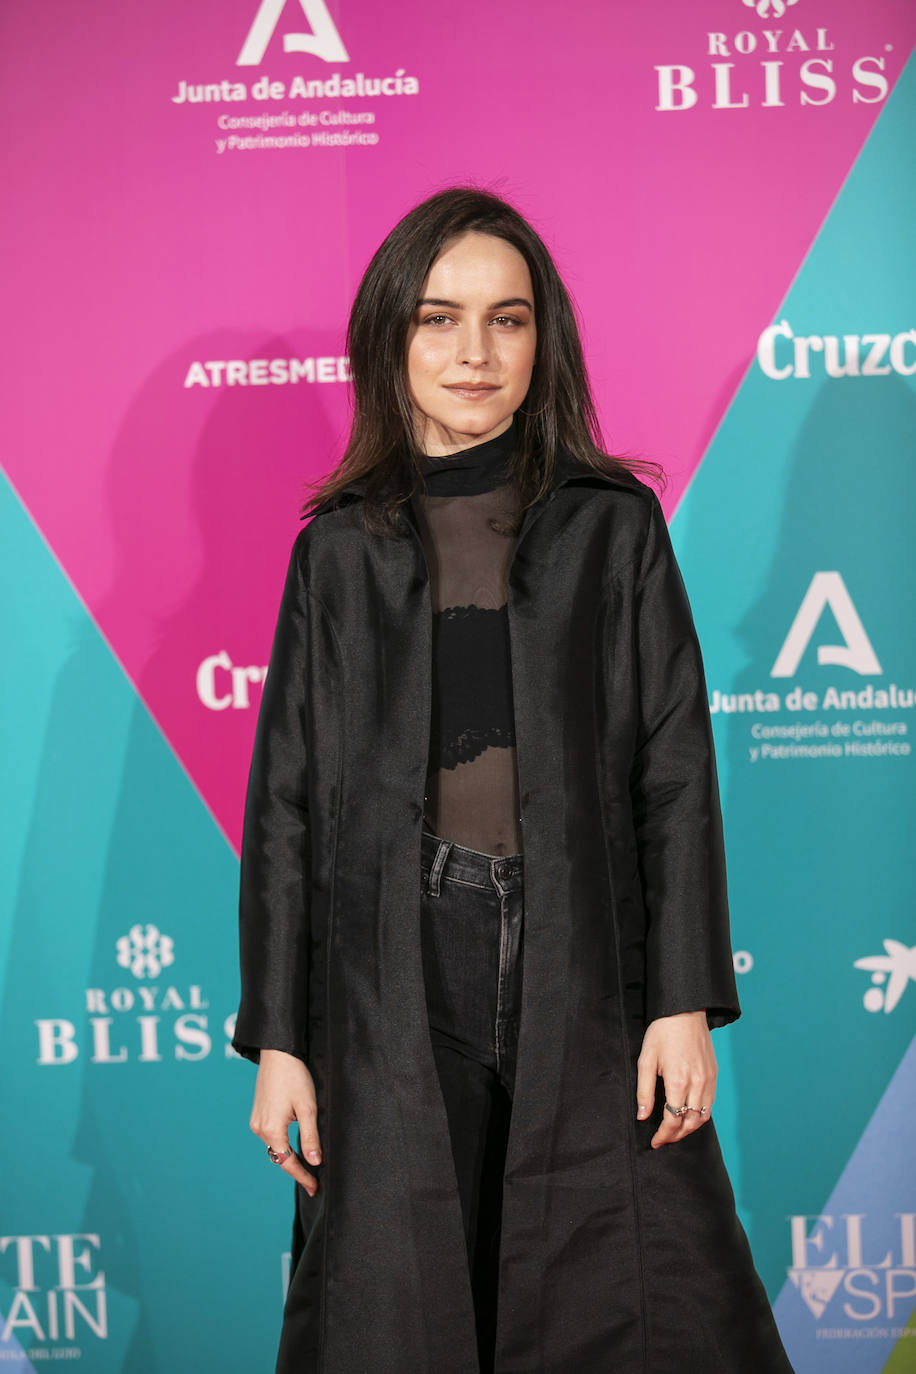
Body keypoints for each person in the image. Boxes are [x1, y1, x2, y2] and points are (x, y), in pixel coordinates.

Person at [234, 187, 794, 1374]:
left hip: (585, 962)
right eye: (438, 320)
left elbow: (674, 776)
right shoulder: (335, 551)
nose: (474, 353)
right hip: (394, 974)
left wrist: (681, 997)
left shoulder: (612, 528)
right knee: (402, 1296)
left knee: (636, 1293)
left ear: (546, 343)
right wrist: (283, 1037)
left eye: (507, 319)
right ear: (392, 339)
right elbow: (286, 805)